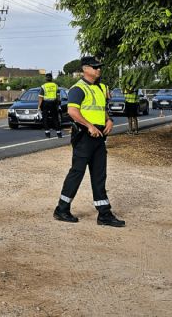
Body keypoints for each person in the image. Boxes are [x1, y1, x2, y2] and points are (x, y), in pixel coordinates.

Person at [53, 56, 125, 227]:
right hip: (84, 136)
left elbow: (102, 109)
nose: (98, 69)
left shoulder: (100, 88)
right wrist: (89, 126)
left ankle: (104, 215)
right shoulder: (78, 89)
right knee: (77, 172)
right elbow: (72, 111)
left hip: (99, 136)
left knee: (100, 174)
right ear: (85, 69)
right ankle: (61, 209)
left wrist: (109, 120)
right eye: (95, 67)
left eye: (99, 67)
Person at [39, 73, 62, 138]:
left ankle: (47, 134)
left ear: (46, 78)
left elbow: (40, 97)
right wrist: (58, 104)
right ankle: (59, 134)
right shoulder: (56, 85)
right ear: (51, 78)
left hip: (46, 103)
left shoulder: (43, 86)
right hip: (54, 103)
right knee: (55, 118)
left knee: (45, 118)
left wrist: (39, 106)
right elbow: (58, 96)